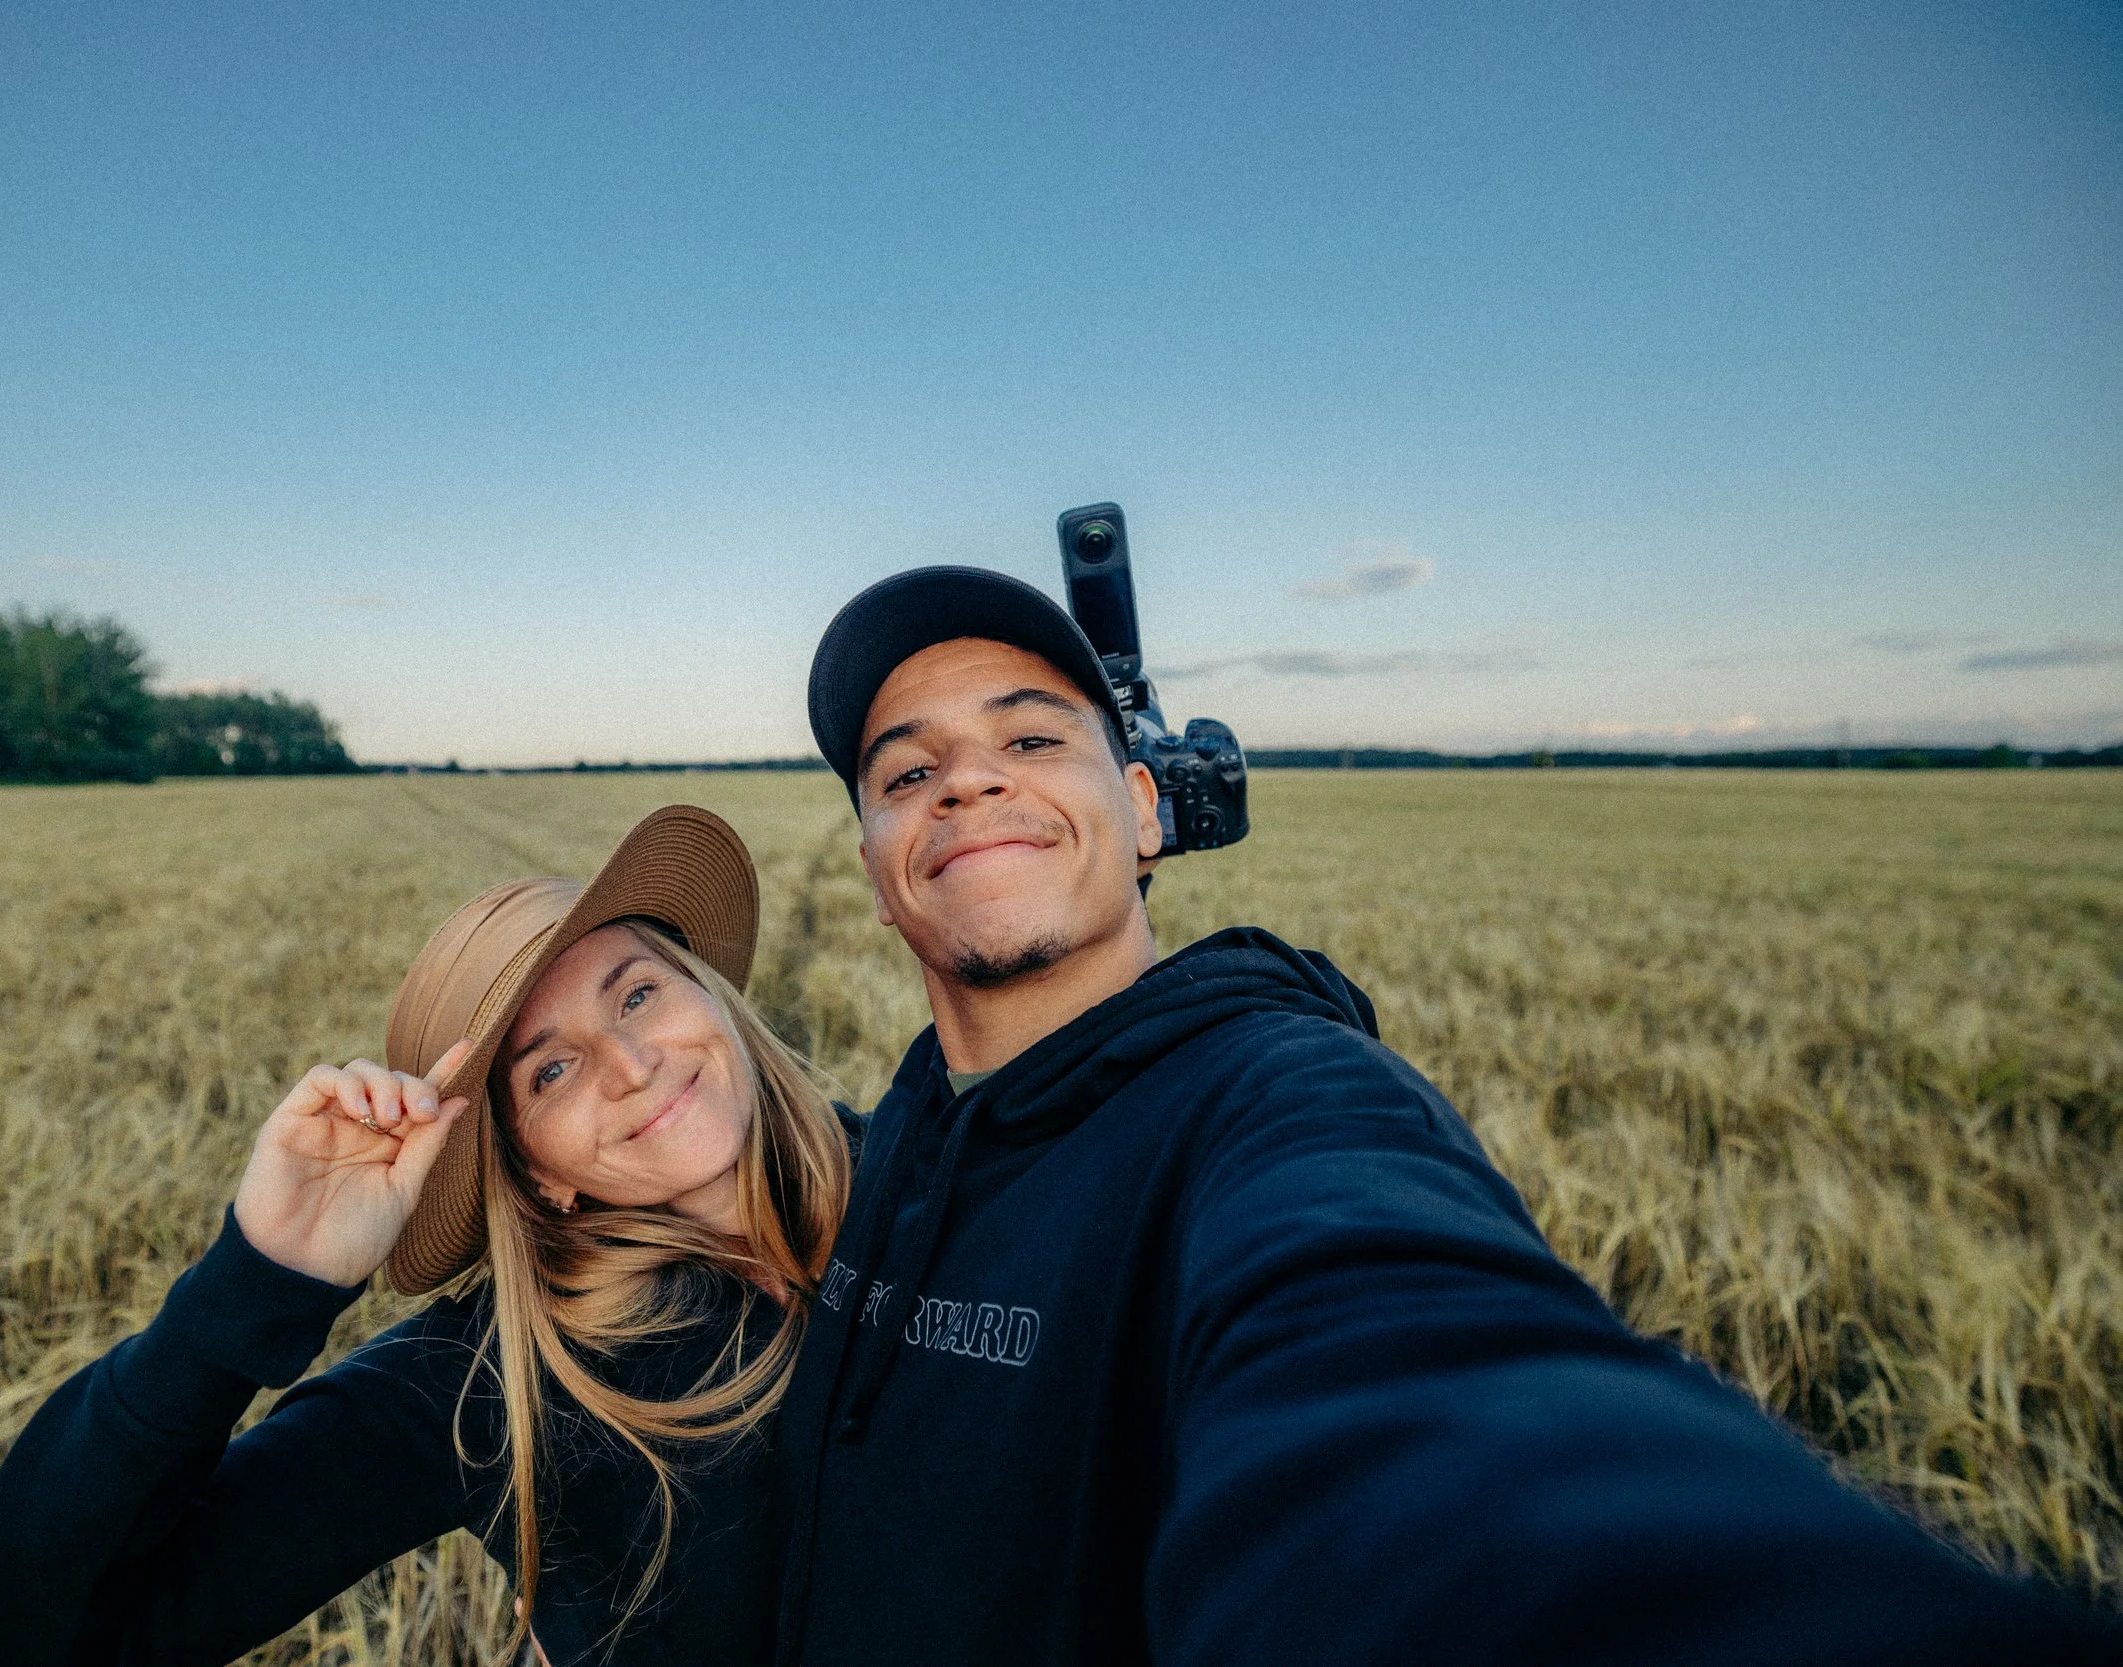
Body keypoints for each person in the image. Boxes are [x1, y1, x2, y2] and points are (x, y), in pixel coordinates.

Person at [771, 566, 2121, 1666]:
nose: (966, 781)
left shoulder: (1274, 1102)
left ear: (1144, 812)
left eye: (1030, 737)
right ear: (878, 873)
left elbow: (1411, 1385)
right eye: (907, 772)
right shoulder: (889, 1146)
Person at [0, 805, 853, 1667]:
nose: (631, 1063)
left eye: (637, 993)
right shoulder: (493, 1380)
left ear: (708, 993)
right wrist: (251, 1284)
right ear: (533, 1172)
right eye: (549, 1071)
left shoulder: (918, 1186)